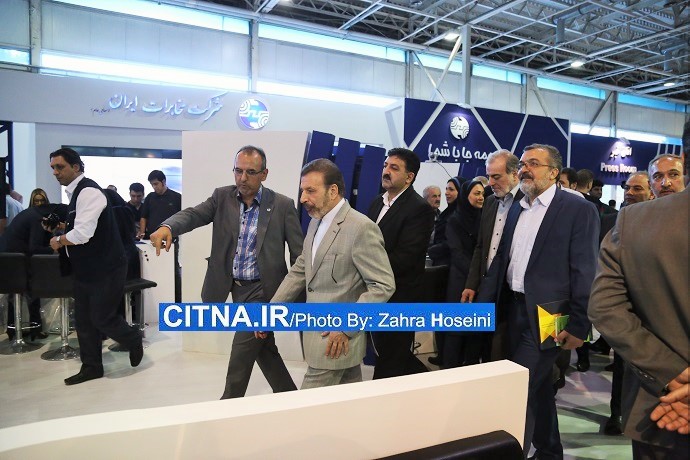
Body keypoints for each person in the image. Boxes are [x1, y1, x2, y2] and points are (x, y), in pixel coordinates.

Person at [150, 146, 303, 399]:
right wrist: (169, 227)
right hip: (234, 287)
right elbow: (193, 215)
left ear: (264, 174)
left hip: (263, 291)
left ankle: (228, 404)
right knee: (264, 348)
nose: (243, 178)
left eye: (250, 172)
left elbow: (299, 255)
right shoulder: (221, 197)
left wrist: (292, 297)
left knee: (242, 351)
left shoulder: (283, 205)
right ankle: (290, 398)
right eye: (238, 171)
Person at [478, 144, 599, 459]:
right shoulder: (518, 207)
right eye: (522, 164)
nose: (524, 169)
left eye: (533, 163)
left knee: (520, 388)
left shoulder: (578, 209)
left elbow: (585, 270)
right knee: (539, 385)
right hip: (513, 309)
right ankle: (550, 451)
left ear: (554, 172)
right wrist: (483, 307)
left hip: (552, 316)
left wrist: (580, 324)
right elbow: (501, 261)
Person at [269, 159, 395, 389]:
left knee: (308, 406)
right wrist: (272, 311)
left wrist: (347, 326)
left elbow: (383, 285)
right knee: (346, 403)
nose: (303, 198)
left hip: (334, 340)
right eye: (302, 191)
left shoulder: (361, 227)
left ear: (333, 191)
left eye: (310, 191)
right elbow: (300, 270)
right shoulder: (315, 222)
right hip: (326, 340)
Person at [589, 186, 689, 459]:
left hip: (661, 406)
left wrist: (670, 372)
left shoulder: (633, 220)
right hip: (663, 410)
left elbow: (605, 307)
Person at [48, 148, 143, 385]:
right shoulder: (76, 193)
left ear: (76, 167)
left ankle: (132, 338)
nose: (55, 172)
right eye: (53, 168)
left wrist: (59, 240)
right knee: (84, 321)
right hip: (86, 268)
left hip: (106, 267)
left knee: (102, 317)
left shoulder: (88, 191)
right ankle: (91, 367)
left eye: (60, 167)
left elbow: (82, 234)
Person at [367, 148, 434, 379]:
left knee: (391, 360)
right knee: (389, 354)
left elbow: (406, 257)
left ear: (409, 177)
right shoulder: (377, 202)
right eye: (386, 165)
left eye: (394, 168)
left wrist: (366, 269)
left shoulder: (419, 209)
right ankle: (425, 382)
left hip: (400, 296)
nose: (386, 171)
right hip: (376, 292)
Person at [0, 201, 69, 340]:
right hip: (15, 264)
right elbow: (35, 248)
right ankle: (34, 328)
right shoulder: (37, 219)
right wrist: (54, 248)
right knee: (33, 288)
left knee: (20, 293)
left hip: (8, 262)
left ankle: (16, 329)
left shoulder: (32, 213)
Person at [443, 179, 484, 367]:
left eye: (482, 193)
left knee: (474, 333)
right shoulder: (455, 220)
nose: (480, 197)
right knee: (456, 332)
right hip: (461, 281)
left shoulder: (485, 218)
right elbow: (457, 252)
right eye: (476, 193)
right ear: (466, 196)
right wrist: (475, 277)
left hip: (480, 283)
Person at [139, 169, 182, 301]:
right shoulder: (150, 198)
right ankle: (156, 297)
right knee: (152, 270)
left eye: (156, 184)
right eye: (152, 184)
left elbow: (182, 218)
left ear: (163, 182)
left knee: (172, 270)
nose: (154, 187)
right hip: (151, 241)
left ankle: (176, 299)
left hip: (171, 241)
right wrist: (142, 232)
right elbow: (144, 217)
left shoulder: (176, 197)